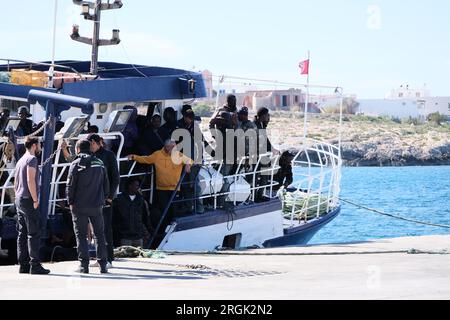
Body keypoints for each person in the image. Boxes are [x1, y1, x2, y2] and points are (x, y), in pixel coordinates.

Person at [127, 140, 192, 242]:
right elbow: (146, 159)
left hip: (174, 189)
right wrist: (134, 157)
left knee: (173, 211)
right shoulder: (157, 155)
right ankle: (164, 231)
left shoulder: (178, 155)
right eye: (172, 148)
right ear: (166, 148)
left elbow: (189, 160)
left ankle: (172, 232)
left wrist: (188, 164)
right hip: (161, 189)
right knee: (164, 210)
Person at [66, 139, 109, 274]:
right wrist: (103, 199)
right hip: (97, 205)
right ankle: (103, 265)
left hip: (79, 206)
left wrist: (70, 202)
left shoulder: (76, 163)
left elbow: (70, 185)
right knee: (99, 235)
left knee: (81, 235)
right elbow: (106, 185)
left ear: (78, 149)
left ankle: (84, 266)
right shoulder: (100, 163)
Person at [14, 137, 50, 275]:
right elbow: (30, 180)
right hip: (28, 199)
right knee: (33, 233)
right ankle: (34, 265)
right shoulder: (32, 159)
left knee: (22, 233)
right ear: (34, 145)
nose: (40, 147)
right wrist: (35, 199)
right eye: (39, 145)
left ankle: (23, 265)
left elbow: (17, 181)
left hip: (19, 198)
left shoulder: (21, 160)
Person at [87, 133, 120, 267]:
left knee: (106, 229)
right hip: (94, 198)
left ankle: (109, 259)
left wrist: (111, 197)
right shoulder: (91, 156)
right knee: (96, 230)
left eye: (91, 144)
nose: (90, 147)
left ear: (96, 142)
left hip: (106, 198)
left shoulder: (109, 155)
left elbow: (115, 177)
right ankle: (100, 257)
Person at [113, 178, 151, 247]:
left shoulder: (141, 200)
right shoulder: (119, 199)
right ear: (130, 186)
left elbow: (145, 217)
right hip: (124, 237)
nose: (138, 187)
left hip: (138, 237)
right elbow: (114, 218)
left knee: (139, 256)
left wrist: (146, 231)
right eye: (136, 185)